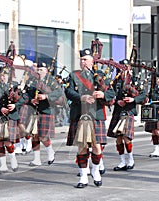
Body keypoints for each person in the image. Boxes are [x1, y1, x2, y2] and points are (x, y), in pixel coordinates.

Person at [65, 48, 115, 188]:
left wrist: (103, 95)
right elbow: (68, 91)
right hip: (80, 115)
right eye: (81, 60)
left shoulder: (99, 76)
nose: (83, 62)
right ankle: (83, 177)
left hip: (96, 115)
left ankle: (95, 170)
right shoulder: (74, 75)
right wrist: (82, 97)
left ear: (92, 61)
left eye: (85, 59)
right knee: (82, 147)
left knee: (97, 147)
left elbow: (111, 93)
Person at [107, 59, 147, 171]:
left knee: (126, 137)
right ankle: (122, 161)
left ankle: (130, 160)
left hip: (128, 111)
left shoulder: (134, 81)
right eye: (121, 67)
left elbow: (144, 94)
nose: (123, 69)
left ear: (129, 68)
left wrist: (133, 99)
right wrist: (116, 101)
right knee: (118, 138)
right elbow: (110, 94)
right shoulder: (115, 81)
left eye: (125, 67)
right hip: (118, 111)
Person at [24, 61, 63, 166]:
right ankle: (37, 159)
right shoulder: (33, 80)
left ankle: (50, 151)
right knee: (34, 135)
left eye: (41, 70)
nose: (39, 71)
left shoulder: (51, 80)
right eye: (38, 69)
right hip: (35, 110)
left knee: (43, 136)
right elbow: (27, 93)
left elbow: (59, 92)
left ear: (46, 70)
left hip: (46, 110)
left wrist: (46, 96)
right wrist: (31, 100)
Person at [0, 68, 25, 173]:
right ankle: (3, 165)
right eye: (1, 75)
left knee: (7, 141)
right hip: (0, 116)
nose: (3, 77)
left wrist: (14, 105)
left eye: (5, 75)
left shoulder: (15, 85)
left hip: (11, 116)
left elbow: (23, 99)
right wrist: (0, 109)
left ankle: (13, 159)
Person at [144, 72, 159, 157]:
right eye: (157, 79)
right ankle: (156, 150)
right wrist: (147, 100)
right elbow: (149, 98)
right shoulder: (153, 90)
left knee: (158, 131)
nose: (158, 80)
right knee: (154, 132)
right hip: (153, 112)